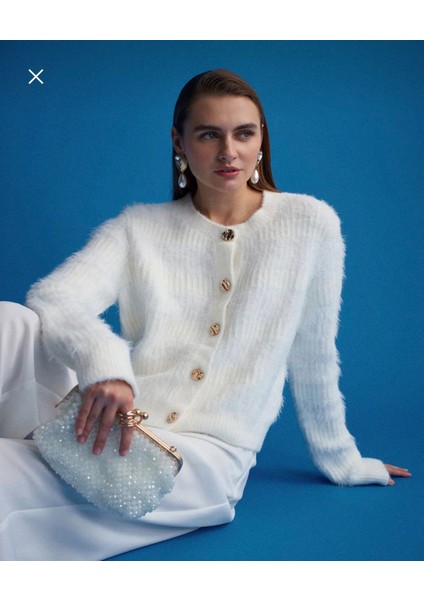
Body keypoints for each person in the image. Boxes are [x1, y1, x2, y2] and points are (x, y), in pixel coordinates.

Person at [0, 69, 410, 561]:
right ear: (179, 142)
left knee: (9, 474)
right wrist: (106, 367)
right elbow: (54, 298)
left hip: (199, 458)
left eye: (244, 133)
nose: (228, 152)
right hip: (119, 419)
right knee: (11, 321)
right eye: (209, 135)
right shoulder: (138, 227)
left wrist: (343, 461)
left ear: (261, 140)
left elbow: (314, 356)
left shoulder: (310, 224)